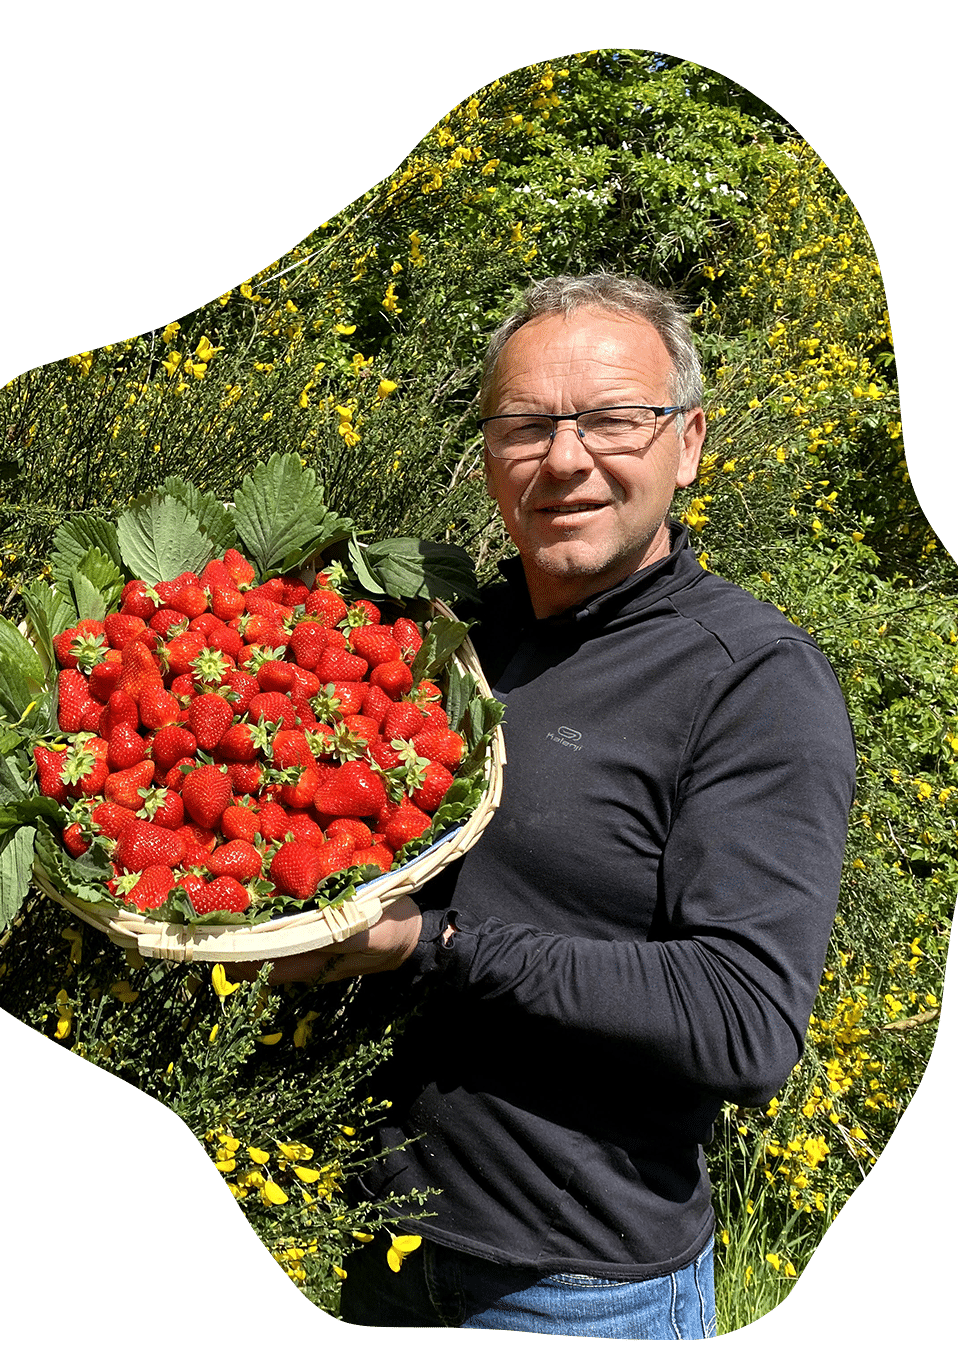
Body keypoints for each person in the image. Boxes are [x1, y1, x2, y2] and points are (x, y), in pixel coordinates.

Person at [256, 274, 856, 1338]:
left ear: (689, 442)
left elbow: (745, 1020)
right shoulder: (446, 646)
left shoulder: (750, 680)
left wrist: (429, 947)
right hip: (387, 1248)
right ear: (488, 457)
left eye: (614, 420)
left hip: (578, 1294)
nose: (565, 460)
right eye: (525, 427)